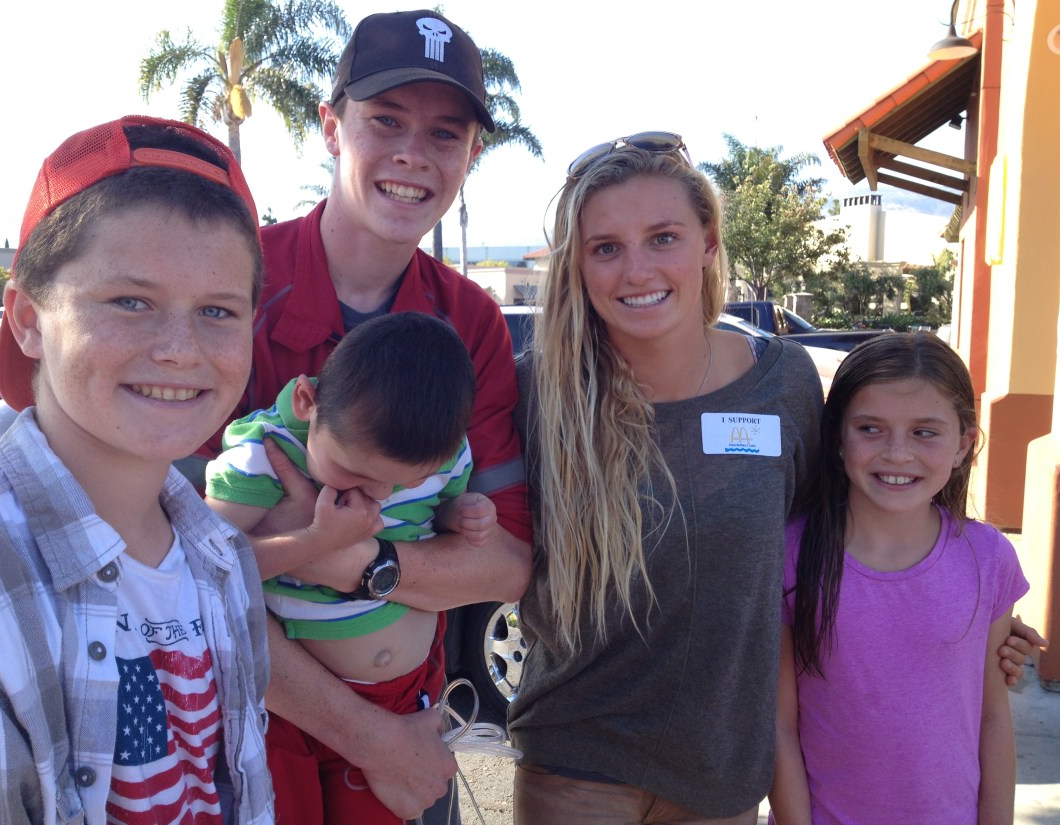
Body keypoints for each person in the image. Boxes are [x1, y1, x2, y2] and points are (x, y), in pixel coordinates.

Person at [194, 9, 533, 821]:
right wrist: (368, 737)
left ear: (471, 155)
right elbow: (179, 570)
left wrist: (361, 560)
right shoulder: (230, 283)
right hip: (249, 736)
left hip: (407, 722)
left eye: (446, 134)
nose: (414, 154)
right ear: (330, 125)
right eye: (386, 120)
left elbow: (510, 561)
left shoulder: (471, 320)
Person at [0, 116, 272, 823]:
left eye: (219, 311)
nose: (178, 347)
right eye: (131, 301)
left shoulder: (222, 559)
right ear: (28, 320)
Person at [508, 133, 824, 825]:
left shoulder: (785, 385)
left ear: (708, 243)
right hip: (573, 766)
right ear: (580, 266)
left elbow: (824, 552)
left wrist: (976, 629)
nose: (635, 269)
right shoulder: (537, 393)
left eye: (663, 237)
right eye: (606, 247)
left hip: (722, 775)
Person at [204, 311, 496, 824]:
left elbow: (440, 512)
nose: (378, 497)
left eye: (401, 484)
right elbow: (204, 569)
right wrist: (315, 542)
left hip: (402, 698)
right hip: (286, 711)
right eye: (355, 472)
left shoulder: (437, 451)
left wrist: (459, 513)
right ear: (305, 402)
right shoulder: (265, 456)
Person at [769, 333, 1028, 825]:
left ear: (963, 445)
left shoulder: (989, 558)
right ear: (837, 439)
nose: (898, 453)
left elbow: (992, 717)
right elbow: (779, 724)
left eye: (925, 432)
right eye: (870, 428)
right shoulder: (792, 555)